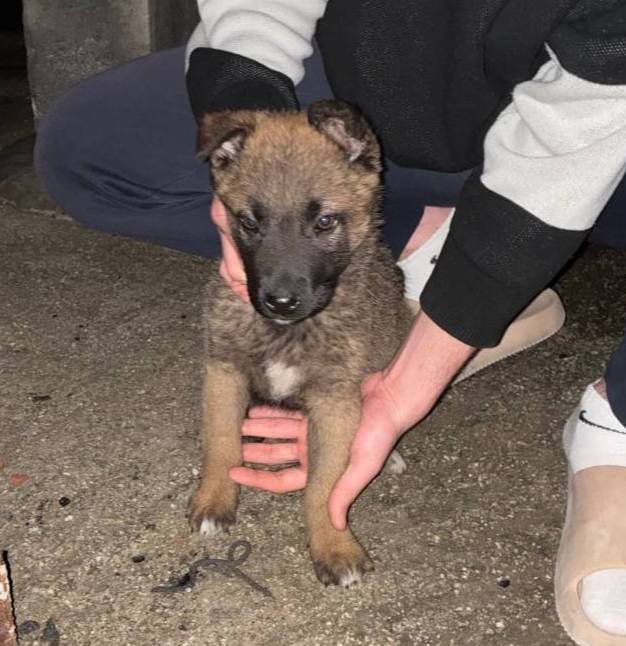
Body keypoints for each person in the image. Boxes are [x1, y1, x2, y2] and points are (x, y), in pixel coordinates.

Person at [34, 2, 626, 643]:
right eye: (252, 223)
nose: (281, 284)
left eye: (322, 225)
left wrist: (344, 486)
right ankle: (446, 251)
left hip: (588, 114)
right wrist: (251, 112)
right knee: (83, 145)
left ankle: (601, 401)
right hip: (354, 73)